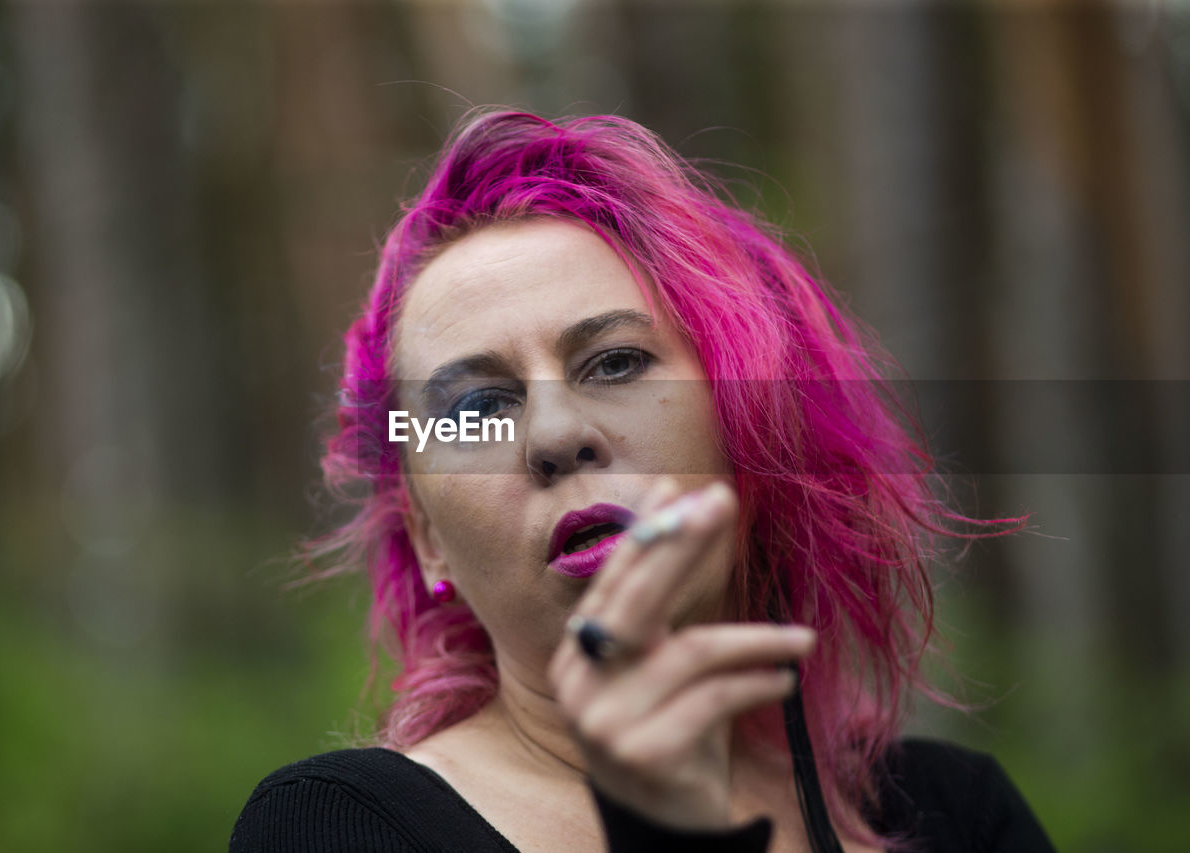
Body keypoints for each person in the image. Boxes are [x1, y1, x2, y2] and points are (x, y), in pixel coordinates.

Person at [230, 110, 1056, 852]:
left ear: (747, 426)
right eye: (480, 403)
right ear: (427, 538)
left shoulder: (956, 813)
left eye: (616, 362)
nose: (555, 436)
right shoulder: (338, 828)